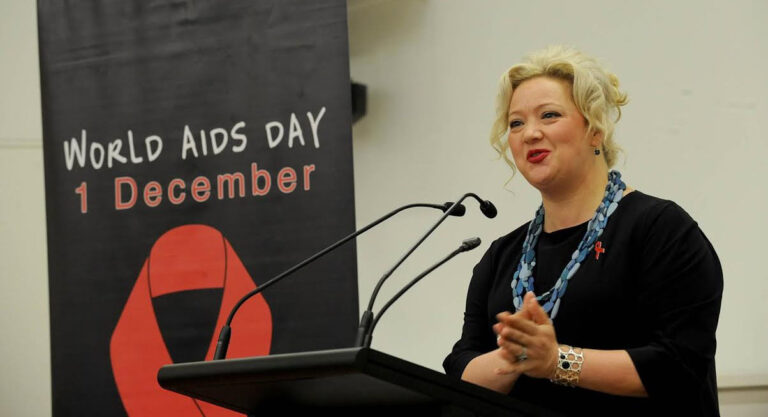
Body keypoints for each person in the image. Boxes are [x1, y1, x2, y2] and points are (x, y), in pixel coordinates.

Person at [443, 46, 723, 417]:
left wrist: (556, 361)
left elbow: (679, 365)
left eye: (549, 115)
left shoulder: (661, 229)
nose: (530, 134)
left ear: (595, 130)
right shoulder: (501, 257)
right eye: (516, 123)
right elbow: (461, 371)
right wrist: (513, 358)